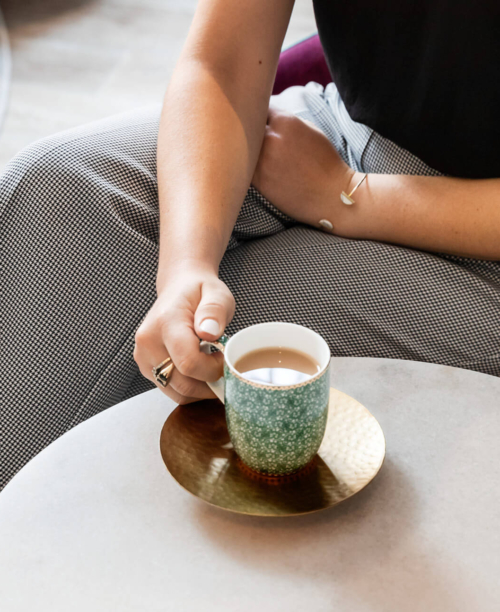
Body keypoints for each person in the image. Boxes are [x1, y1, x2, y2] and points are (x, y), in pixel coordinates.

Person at [2, 0, 500, 490]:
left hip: (480, 245)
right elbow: (224, 59)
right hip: (341, 127)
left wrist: (347, 196)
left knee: (223, 345)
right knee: (55, 190)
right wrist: (185, 267)